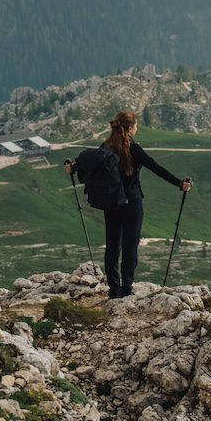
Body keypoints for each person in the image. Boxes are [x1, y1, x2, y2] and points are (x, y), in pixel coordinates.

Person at [66, 110, 191, 297]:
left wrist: (72, 167)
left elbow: (86, 164)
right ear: (131, 128)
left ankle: (114, 290)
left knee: (112, 246)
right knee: (130, 247)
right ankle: (127, 289)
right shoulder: (134, 148)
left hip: (111, 203)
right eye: (136, 125)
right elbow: (155, 167)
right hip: (132, 202)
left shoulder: (105, 146)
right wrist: (180, 183)